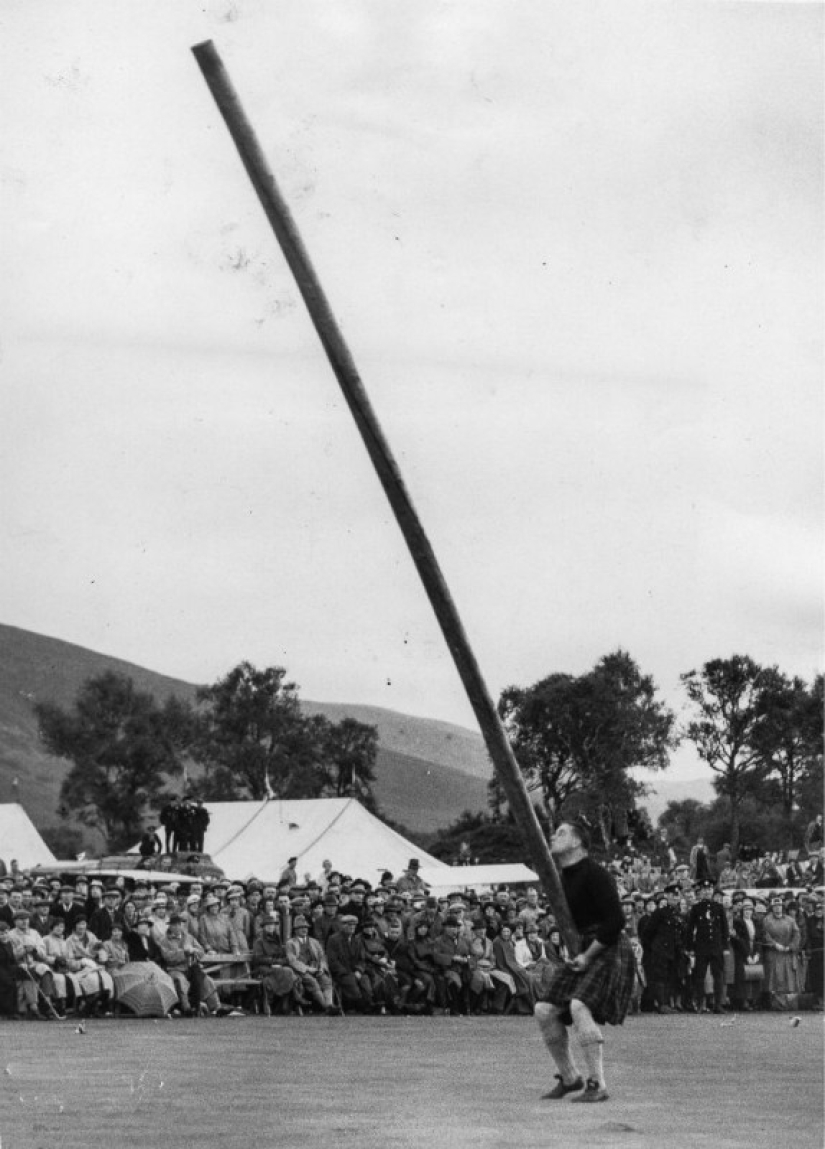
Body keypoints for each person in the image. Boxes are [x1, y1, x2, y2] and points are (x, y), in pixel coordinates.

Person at [533, 816, 635, 1104]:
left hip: (608, 946)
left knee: (579, 1006)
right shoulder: (561, 878)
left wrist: (587, 956)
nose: (553, 836)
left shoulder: (595, 874)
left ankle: (597, 1084)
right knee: (544, 1010)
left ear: (577, 842)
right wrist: (574, 950)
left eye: (561, 832)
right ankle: (569, 1078)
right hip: (581, 947)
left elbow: (615, 921)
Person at [684, 880, 730, 1013]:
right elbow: (690, 928)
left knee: (718, 976)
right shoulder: (696, 908)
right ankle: (700, 1003)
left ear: (712, 891)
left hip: (716, 946)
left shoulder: (718, 907)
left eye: (709, 889)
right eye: (704, 890)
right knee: (700, 975)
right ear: (701, 892)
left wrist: (725, 946)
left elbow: (724, 928)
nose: (707, 892)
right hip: (701, 946)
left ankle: (718, 1004)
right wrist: (690, 947)